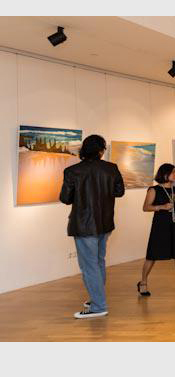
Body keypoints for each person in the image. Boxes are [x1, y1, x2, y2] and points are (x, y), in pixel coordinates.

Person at [59, 134, 125, 319]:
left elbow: (65, 198)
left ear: (84, 150)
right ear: (101, 151)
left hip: (84, 225)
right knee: (98, 262)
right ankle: (96, 298)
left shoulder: (72, 171)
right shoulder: (111, 168)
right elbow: (119, 192)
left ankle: (98, 306)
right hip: (105, 223)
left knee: (89, 266)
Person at [139, 164, 175, 296]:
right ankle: (143, 282)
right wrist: (161, 207)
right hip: (160, 226)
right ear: (165, 174)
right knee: (152, 255)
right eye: (173, 172)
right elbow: (145, 207)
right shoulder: (154, 190)